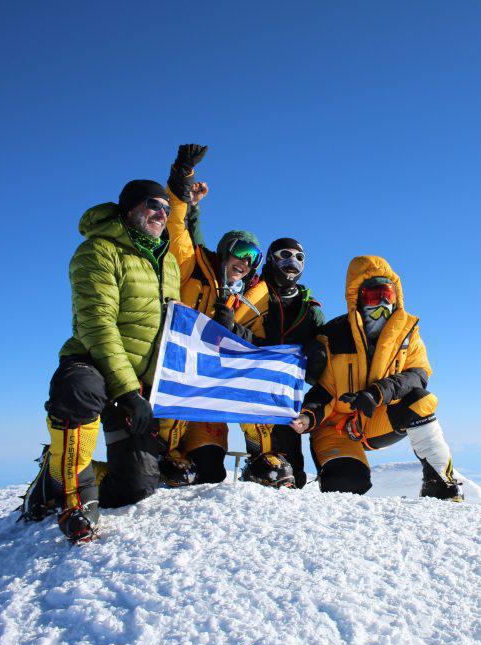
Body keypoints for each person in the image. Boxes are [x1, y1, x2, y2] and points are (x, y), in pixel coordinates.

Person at [18, 179, 182, 543]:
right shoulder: (97, 251)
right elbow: (97, 323)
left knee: (137, 487)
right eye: (153, 205)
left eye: (166, 209)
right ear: (128, 209)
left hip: (137, 379)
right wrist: (127, 391)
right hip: (94, 361)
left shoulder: (167, 261)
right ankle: (73, 499)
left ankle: (62, 469)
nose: (161, 214)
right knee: (78, 390)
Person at [290, 256, 462, 500]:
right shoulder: (334, 335)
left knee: (420, 400)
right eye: (373, 296)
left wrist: (378, 393)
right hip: (335, 425)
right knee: (346, 483)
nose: (382, 304)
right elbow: (324, 391)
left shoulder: (407, 333)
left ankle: (440, 484)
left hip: (374, 418)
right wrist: (308, 417)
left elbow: (418, 374)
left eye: (387, 295)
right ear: (357, 298)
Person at [158, 144, 265, 487]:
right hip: (168, 389)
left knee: (211, 474)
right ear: (223, 251)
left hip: (204, 402)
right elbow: (176, 222)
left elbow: (254, 349)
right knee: (151, 473)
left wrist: (232, 329)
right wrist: (183, 174)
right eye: (240, 252)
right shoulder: (192, 266)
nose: (245, 262)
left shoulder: (237, 303)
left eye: (253, 258)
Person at [237, 238, 326, 488]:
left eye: (299, 257)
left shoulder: (309, 309)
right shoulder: (251, 295)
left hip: (287, 398)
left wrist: (316, 356)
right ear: (271, 259)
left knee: (291, 473)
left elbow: (319, 372)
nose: (292, 261)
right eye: (285, 254)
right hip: (251, 392)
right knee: (265, 463)